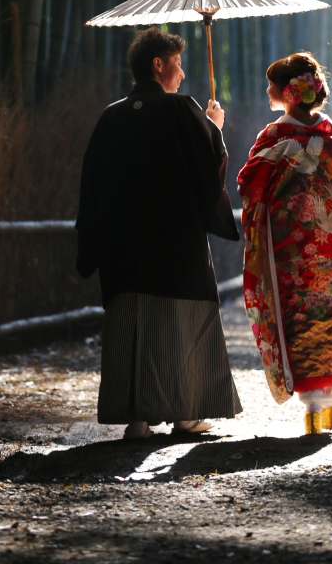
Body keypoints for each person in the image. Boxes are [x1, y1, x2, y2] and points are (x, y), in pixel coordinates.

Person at [76, 27, 241, 440]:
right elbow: (208, 167)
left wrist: (94, 242)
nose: (183, 75)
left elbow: (91, 185)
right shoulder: (182, 109)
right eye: (179, 65)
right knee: (181, 321)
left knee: (131, 321)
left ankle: (137, 420)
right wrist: (215, 127)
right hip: (175, 240)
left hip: (123, 244)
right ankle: (185, 415)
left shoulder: (111, 116)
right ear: (158, 65)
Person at [237, 52, 332, 435]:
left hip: (292, 251)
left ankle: (313, 408)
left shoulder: (275, 138)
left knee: (297, 317)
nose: (267, 91)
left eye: (272, 86)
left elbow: (249, 184)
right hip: (331, 245)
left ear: (289, 94)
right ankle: (331, 402)